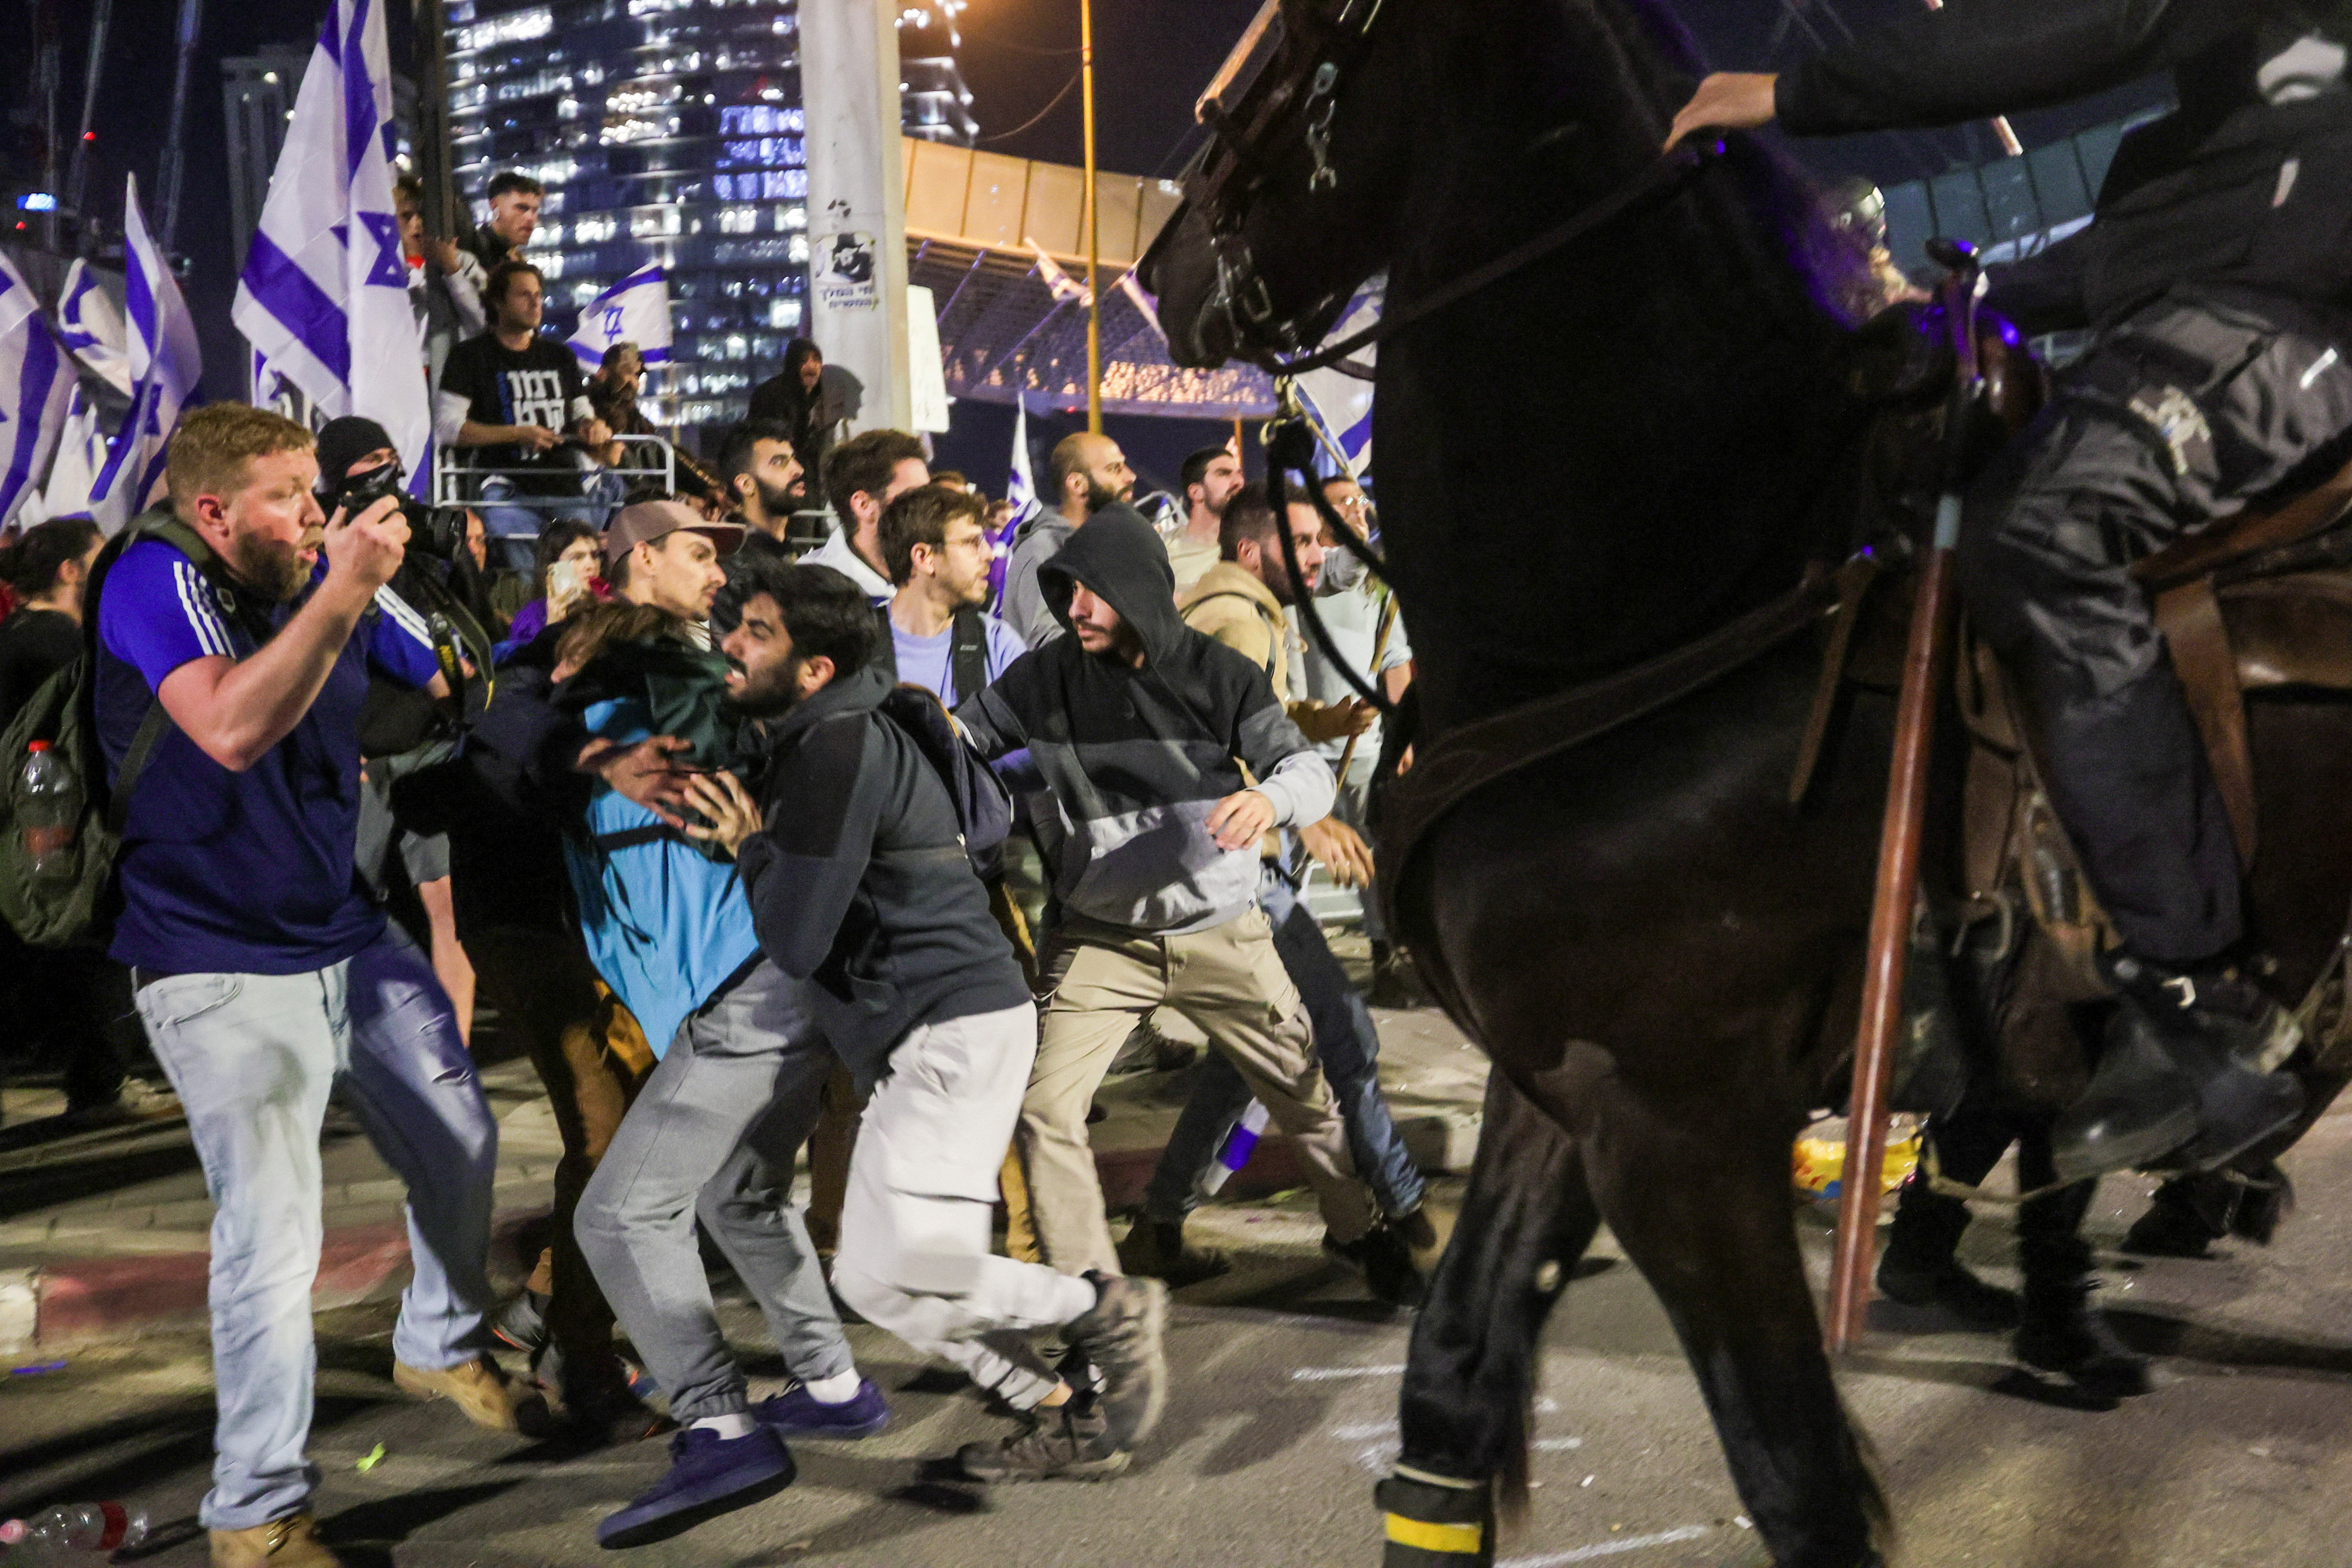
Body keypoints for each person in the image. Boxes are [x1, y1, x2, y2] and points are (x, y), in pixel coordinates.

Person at [1664, 1, 2352, 1178]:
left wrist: (1784, 96)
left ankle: (2200, 999)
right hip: (2224, 302)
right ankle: (2017, 935)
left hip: (2296, 326)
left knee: (2043, 526)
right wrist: (1935, 312)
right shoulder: (2220, 127)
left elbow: (2076, 34)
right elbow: (2136, 255)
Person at [96, 405, 513, 1568]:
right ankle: (256, 1515)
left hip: (344, 929)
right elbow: (227, 725)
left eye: (317, 490)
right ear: (213, 508)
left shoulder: (316, 565)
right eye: (288, 494)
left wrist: (415, 579)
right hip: (213, 958)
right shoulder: (155, 578)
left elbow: (440, 675)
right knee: (274, 1239)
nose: (315, 513)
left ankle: (436, 1341)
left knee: (461, 1136)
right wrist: (336, 594)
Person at [649, 560, 1170, 1485]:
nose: (731, 643)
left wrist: (750, 846)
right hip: (946, 1030)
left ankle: (1100, 1305)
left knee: (907, 1262)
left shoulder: (836, 748)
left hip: (949, 1032)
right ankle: (1059, 1409)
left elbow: (798, 940)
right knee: (875, 1276)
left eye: (758, 633)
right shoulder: (845, 727)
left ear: (812, 670)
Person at [953, 507, 1412, 1299]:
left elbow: (1300, 769)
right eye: (1066, 593)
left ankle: (1355, 1231)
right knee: (1043, 1108)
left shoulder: (1217, 672)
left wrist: (1270, 802)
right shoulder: (1043, 675)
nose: (1076, 609)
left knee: (1304, 1097)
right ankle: (1090, 1286)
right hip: (1102, 940)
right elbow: (960, 739)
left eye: (1092, 592)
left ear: (1137, 590)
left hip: (1223, 931)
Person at [556, 592, 886, 1548]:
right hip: (783, 987)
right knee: (738, 1190)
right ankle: (831, 1383)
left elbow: (514, 751)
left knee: (618, 1216)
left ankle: (718, 1422)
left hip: (745, 995)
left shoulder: (625, 722)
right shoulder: (699, 723)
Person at [1124, 487, 1428, 1296]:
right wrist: (1303, 822)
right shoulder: (1237, 617)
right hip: (1241, 867)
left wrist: (1315, 723)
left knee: (1243, 1057)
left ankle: (1159, 1221)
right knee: (1341, 1034)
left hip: (1228, 863)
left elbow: (1244, 713)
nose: (1317, 554)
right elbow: (1207, 748)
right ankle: (1388, 1213)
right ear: (1254, 549)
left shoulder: (1239, 611)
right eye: (1299, 538)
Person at [312, 416, 490, 1052]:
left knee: (448, 915)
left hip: (429, 750)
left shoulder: (422, 542)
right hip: (360, 760)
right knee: (346, 911)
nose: (386, 470)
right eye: (369, 462)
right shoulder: (330, 551)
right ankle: (340, 1054)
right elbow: (435, 663)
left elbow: (469, 631)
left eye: (390, 456)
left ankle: (455, 1055)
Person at [0, 517, 165, 1127]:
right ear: (72, 571)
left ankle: (95, 1077)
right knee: (94, 943)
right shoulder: (56, 643)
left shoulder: (20, 633)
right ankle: (102, 1082)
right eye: (98, 556)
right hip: (55, 822)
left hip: (32, 822)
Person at [1295, 473, 1418, 997]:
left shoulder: (1374, 580)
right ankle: (1289, 967)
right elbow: (1337, 571)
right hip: (1301, 750)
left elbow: (1395, 659)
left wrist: (1403, 736)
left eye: (1360, 500)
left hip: (1363, 746)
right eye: (1342, 502)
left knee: (1375, 854)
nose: (1356, 508)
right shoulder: (1306, 573)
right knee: (1294, 864)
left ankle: (1386, 955)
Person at [439, 261, 619, 571]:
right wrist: (518, 434)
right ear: (498, 302)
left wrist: (593, 427)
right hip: (504, 484)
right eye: (524, 295)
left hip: (564, 483)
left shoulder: (560, 356)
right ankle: (534, 615)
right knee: (525, 565)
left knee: (580, 561)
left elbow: (581, 414)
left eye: (538, 295)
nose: (536, 303)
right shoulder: (470, 356)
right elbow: (448, 427)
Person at [876, 482, 1027, 705]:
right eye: (972, 543)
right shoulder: (855, 648)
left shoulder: (998, 646)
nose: (989, 554)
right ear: (924, 557)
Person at [998, 431, 1134, 647]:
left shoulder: (1102, 544)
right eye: (1114, 469)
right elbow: (1044, 642)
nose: (1131, 477)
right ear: (1078, 484)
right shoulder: (1043, 548)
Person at [392, 174, 487, 401]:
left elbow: (483, 323)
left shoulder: (463, 262)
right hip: (398, 387)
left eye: (422, 215)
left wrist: (452, 271)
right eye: (406, 216)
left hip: (452, 385)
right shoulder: (380, 270)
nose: (417, 223)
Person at [807, 428, 927, 603]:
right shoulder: (807, 590)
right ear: (864, 506)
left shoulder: (933, 582)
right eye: (914, 497)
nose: (931, 507)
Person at [605, 496, 735, 642]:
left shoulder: (596, 643)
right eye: (699, 556)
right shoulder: (625, 657)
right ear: (646, 558)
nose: (721, 578)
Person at [497, 518, 607, 656]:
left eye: (595, 556)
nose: (591, 565)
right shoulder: (531, 618)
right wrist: (552, 626)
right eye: (578, 557)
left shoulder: (612, 606)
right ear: (552, 567)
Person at [746, 338, 832, 484]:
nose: (811, 366)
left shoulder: (822, 397)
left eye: (816, 360)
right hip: (780, 480)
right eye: (803, 361)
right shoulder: (771, 394)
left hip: (812, 481)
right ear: (793, 365)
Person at [1164, 444, 1244, 593]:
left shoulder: (1252, 548)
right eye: (1224, 474)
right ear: (1196, 492)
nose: (1239, 482)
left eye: (1239, 473)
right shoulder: (1163, 550)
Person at [461, 170, 542, 273]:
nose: (531, 217)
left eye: (535, 210)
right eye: (521, 208)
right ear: (495, 205)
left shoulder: (514, 257)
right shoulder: (477, 251)